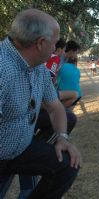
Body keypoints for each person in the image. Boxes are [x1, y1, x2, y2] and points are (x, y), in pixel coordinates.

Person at [0, 8, 82, 199]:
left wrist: (62, 137)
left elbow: (55, 107)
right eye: (54, 43)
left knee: (68, 164)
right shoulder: (3, 69)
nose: (56, 49)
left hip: (21, 148)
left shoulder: (38, 68)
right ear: (41, 43)